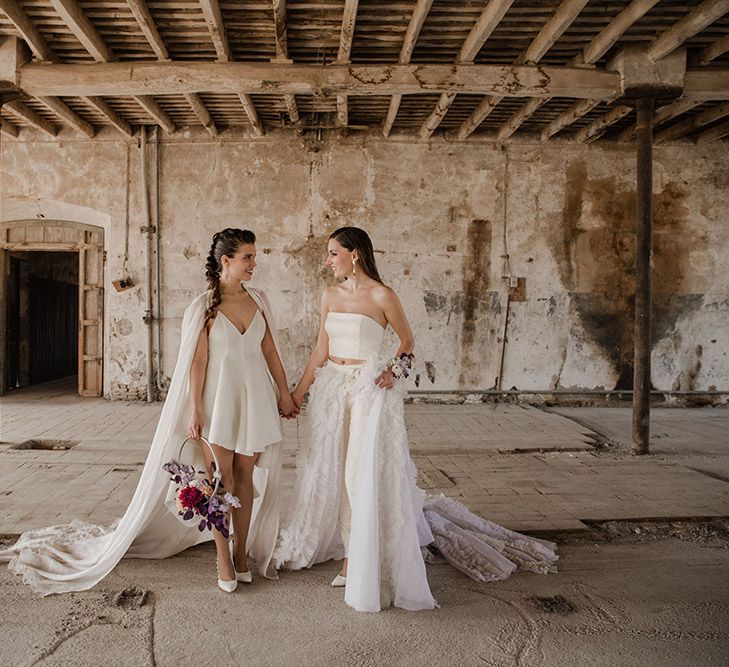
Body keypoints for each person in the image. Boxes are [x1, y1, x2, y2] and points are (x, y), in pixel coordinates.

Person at [274, 227, 558, 613]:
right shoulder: (329, 295)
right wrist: (298, 392)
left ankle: (358, 560)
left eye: (333, 253)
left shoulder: (382, 295)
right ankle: (345, 548)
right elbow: (321, 349)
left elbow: (407, 342)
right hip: (331, 391)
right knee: (330, 472)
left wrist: (393, 371)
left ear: (354, 254)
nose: (328, 260)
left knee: (360, 475)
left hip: (367, 390)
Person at [1, 228, 295, 595]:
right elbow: (198, 362)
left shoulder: (260, 300)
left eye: (254, 256)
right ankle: (221, 556)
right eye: (248, 257)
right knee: (222, 480)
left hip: (255, 400)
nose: (254, 263)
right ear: (226, 261)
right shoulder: (203, 306)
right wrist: (194, 412)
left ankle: (240, 552)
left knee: (246, 480)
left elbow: (269, 353)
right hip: (218, 403)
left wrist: (284, 393)